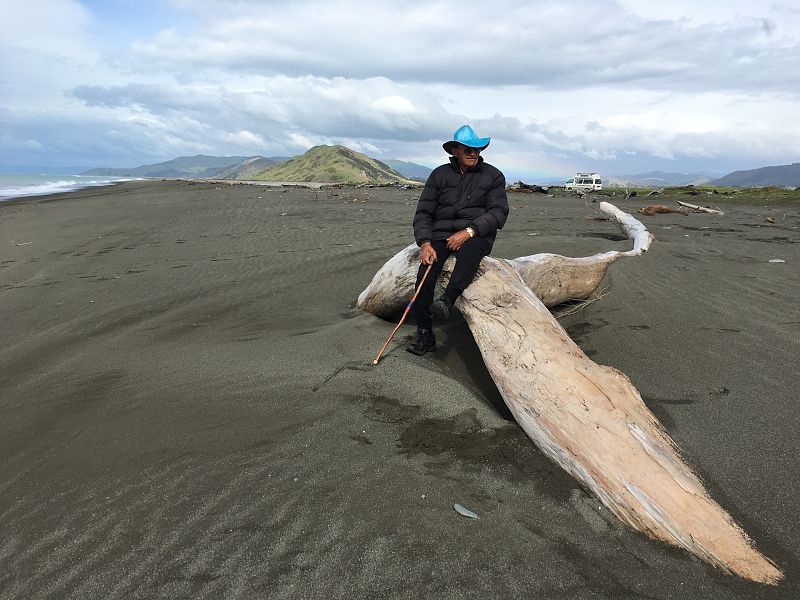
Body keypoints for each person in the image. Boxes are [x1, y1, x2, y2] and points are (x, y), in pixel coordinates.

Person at [407, 125, 509, 356]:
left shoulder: (493, 176)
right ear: (455, 150)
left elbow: (498, 212)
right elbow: (423, 213)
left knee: (470, 252)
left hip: (476, 234)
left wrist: (470, 231)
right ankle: (424, 332)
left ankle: (448, 299)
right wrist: (425, 243)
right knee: (425, 273)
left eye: (477, 149)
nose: (474, 153)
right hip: (440, 235)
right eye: (468, 149)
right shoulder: (439, 175)